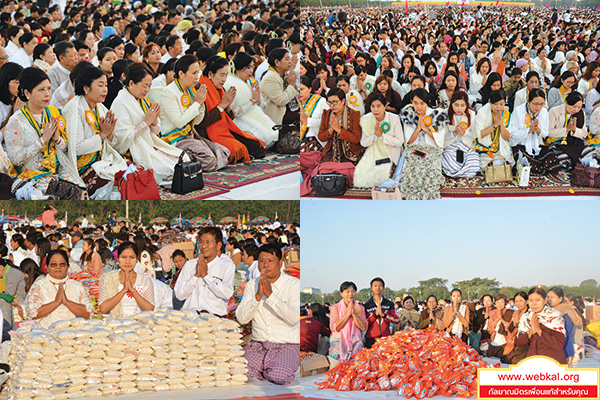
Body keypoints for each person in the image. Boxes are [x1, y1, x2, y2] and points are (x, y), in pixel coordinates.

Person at [5, 67, 83, 192]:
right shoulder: (16, 121)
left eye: (48, 88)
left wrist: (57, 138)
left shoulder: (54, 114)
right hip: (30, 176)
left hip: (56, 172)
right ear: (27, 93)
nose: (47, 94)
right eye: (41, 90)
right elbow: (16, 159)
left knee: (80, 189)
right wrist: (43, 140)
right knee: (65, 192)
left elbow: (66, 148)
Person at [236, 244, 300, 385]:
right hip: (259, 345)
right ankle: (264, 367)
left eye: (270, 261)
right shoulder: (252, 285)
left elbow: (294, 318)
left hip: (286, 345)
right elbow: (241, 318)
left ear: (280, 263)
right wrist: (258, 296)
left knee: (279, 377)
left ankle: (272, 367)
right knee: (241, 372)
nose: (265, 265)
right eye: (261, 261)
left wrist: (270, 295)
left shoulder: (293, 284)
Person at [111, 62, 181, 185]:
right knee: (167, 170)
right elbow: (121, 140)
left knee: (182, 159)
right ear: (131, 83)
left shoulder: (143, 100)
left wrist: (153, 123)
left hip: (148, 144)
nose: (147, 90)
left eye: (149, 86)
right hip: (132, 150)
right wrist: (146, 122)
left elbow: (154, 131)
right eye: (144, 86)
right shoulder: (120, 102)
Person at [63, 66, 127, 197]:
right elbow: (76, 147)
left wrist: (109, 134)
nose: (105, 89)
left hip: (100, 160)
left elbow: (110, 143)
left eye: (106, 85)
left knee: (135, 170)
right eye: (100, 85)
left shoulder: (99, 107)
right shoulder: (75, 108)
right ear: (86, 88)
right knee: (120, 182)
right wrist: (103, 135)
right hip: (82, 167)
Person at [159, 54, 229, 172]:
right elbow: (179, 122)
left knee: (224, 151)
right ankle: (181, 160)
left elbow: (197, 121)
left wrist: (201, 105)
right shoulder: (168, 93)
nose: (197, 77)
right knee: (210, 159)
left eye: (198, 73)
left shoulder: (191, 89)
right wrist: (197, 103)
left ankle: (188, 162)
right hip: (175, 139)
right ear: (181, 74)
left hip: (190, 136)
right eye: (194, 73)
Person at [173, 227, 234, 317]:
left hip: (215, 317)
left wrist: (206, 276)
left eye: (208, 242)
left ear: (218, 245)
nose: (204, 246)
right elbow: (179, 295)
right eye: (201, 242)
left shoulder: (226, 266)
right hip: (190, 316)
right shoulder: (190, 265)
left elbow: (227, 293)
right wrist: (196, 276)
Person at [25, 249, 93, 328]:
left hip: (73, 335)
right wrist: (56, 302)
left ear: (67, 266)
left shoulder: (77, 286)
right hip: (46, 336)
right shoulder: (39, 286)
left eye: (62, 264)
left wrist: (67, 302)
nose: (58, 267)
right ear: (47, 267)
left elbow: (88, 314)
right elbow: (31, 313)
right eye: (53, 264)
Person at [399, 88, 447, 200]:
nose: (419, 107)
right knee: (411, 175)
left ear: (427, 102)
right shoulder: (408, 114)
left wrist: (425, 129)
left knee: (429, 177)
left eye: (422, 103)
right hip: (415, 149)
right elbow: (409, 142)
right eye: (415, 103)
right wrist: (417, 129)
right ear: (412, 102)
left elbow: (439, 140)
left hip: (431, 149)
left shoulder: (438, 114)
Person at [223, 52, 277, 148]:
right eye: (248, 67)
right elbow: (233, 113)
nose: (251, 70)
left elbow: (262, 107)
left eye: (252, 67)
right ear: (238, 68)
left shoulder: (251, 82)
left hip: (255, 116)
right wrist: (253, 101)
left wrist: (258, 101)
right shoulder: (229, 84)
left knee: (274, 134)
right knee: (259, 138)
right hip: (238, 120)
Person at [354, 93, 404, 188]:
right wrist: (374, 136)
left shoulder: (394, 118)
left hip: (390, 155)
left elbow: (400, 141)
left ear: (385, 106)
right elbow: (363, 142)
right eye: (373, 106)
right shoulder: (366, 119)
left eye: (378, 106)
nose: (375, 110)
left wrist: (382, 136)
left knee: (381, 178)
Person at [510, 88, 560, 175]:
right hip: (521, 145)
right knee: (520, 157)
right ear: (528, 101)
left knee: (552, 157)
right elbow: (513, 133)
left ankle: (538, 169)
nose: (538, 107)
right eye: (535, 104)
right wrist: (529, 130)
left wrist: (538, 130)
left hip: (537, 145)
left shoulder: (544, 112)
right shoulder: (518, 111)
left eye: (541, 104)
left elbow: (545, 133)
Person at [98, 241, 154, 318]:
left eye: (132, 257)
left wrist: (132, 290)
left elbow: (150, 308)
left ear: (137, 259)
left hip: (139, 325)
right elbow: (103, 308)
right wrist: (124, 290)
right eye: (123, 257)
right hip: (114, 324)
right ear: (117, 259)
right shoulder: (108, 279)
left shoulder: (145, 280)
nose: (127, 262)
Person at [515, 286, 566, 364]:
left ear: (545, 301)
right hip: (533, 359)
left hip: (552, 361)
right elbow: (518, 342)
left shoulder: (554, 316)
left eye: (538, 300)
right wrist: (530, 333)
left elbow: (559, 344)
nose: (534, 303)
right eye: (531, 300)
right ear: (528, 301)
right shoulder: (526, 317)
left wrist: (538, 330)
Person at [317, 87, 363, 165]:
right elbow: (321, 137)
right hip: (331, 151)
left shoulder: (354, 114)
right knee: (325, 170)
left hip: (350, 151)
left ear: (343, 101)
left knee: (344, 171)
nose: (332, 105)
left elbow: (356, 138)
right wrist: (330, 130)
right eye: (329, 102)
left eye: (335, 102)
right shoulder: (326, 114)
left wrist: (339, 131)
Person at [547, 92, 591, 170]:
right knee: (559, 159)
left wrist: (574, 130)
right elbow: (549, 132)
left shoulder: (581, 113)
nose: (576, 110)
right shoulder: (554, 111)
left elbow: (584, 134)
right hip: (558, 142)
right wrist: (566, 129)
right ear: (566, 102)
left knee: (590, 152)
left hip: (574, 141)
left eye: (579, 107)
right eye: (574, 107)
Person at [327, 281, 366, 366]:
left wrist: (354, 314)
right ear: (341, 293)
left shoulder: (360, 308)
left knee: (356, 370)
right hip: (339, 342)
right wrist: (348, 314)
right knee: (337, 370)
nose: (350, 294)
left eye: (353, 291)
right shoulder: (335, 307)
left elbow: (363, 327)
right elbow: (334, 327)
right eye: (347, 292)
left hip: (356, 343)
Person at [473, 89, 514, 169]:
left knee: (507, 166)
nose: (498, 107)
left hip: (501, 146)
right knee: (485, 168)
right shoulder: (482, 112)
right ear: (490, 103)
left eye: (501, 104)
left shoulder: (507, 114)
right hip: (485, 146)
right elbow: (479, 134)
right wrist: (495, 125)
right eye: (496, 104)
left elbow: (506, 137)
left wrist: (501, 124)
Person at [442, 91, 479, 178]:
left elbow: (475, 135)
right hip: (451, 145)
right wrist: (454, 133)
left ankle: (459, 173)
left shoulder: (471, 114)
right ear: (451, 104)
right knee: (451, 165)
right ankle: (460, 172)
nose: (459, 109)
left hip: (467, 146)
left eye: (462, 105)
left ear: (466, 105)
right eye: (456, 105)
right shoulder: (445, 114)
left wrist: (464, 132)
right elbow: (442, 137)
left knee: (475, 165)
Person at [260, 48, 299, 126]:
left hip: (287, 111)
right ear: (277, 62)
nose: (290, 61)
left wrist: (292, 84)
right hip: (278, 116)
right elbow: (281, 101)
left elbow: (294, 95)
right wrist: (291, 85)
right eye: (287, 59)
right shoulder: (270, 78)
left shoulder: (280, 75)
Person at [547, 287, 582, 364]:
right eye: (548, 297)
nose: (549, 299)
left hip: (563, 351)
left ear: (560, 299)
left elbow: (566, 335)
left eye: (552, 297)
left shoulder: (565, 314)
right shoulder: (548, 311)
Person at [363, 277, 400, 348]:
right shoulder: (366, 305)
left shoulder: (389, 304)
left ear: (383, 288)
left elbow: (397, 320)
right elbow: (364, 324)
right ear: (371, 288)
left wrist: (384, 316)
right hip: (371, 339)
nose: (378, 288)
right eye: (375, 285)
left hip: (386, 339)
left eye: (380, 285)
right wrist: (375, 315)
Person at [299, 75, 328, 152]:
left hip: (315, 137)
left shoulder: (320, 101)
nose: (299, 92)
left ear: (310, 89)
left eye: (302, 89)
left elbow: (326, 122)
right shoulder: (295, 103)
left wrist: (307, 120)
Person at [502, 291, 530, 364]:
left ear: (527, 301)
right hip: (516, 342)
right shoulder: (516, 313)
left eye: (521, 301)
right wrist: (515, 323)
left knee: (515, 361)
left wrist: (518, 323)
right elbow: (510, 329)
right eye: (516, 301)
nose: (518, 303)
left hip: (527, 343)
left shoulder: (530, 313)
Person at [485, 293, 515, 358]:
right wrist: (497, 319)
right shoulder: (492, 312)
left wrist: (501, 319)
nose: (500, 304)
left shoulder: (510, 312)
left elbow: (510, 328)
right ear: (495, 303)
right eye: (497, 302)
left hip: (505, 340)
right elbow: (490, 328)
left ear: (505, 303)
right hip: (494, 339)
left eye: (502, 302)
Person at [0, 62, 23, 132]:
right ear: (5, 82)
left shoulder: (19, 100)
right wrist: (15, 116)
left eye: (21, 82)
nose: (20, 87)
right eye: (16, 83)